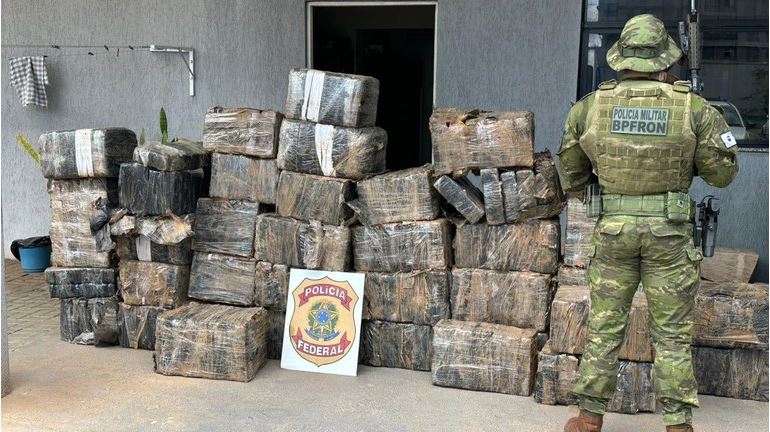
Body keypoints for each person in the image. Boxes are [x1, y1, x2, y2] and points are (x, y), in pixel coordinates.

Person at [557, 13, 739, 432]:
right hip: (670, 235)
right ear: (665, 58)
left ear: (621, 57)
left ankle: (588, 419)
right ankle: (678, 425)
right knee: (671, 335)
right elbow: (722, 174)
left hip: (613, 232)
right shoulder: (693, 107)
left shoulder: (590, 106)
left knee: (604, 328)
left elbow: (571, 174)